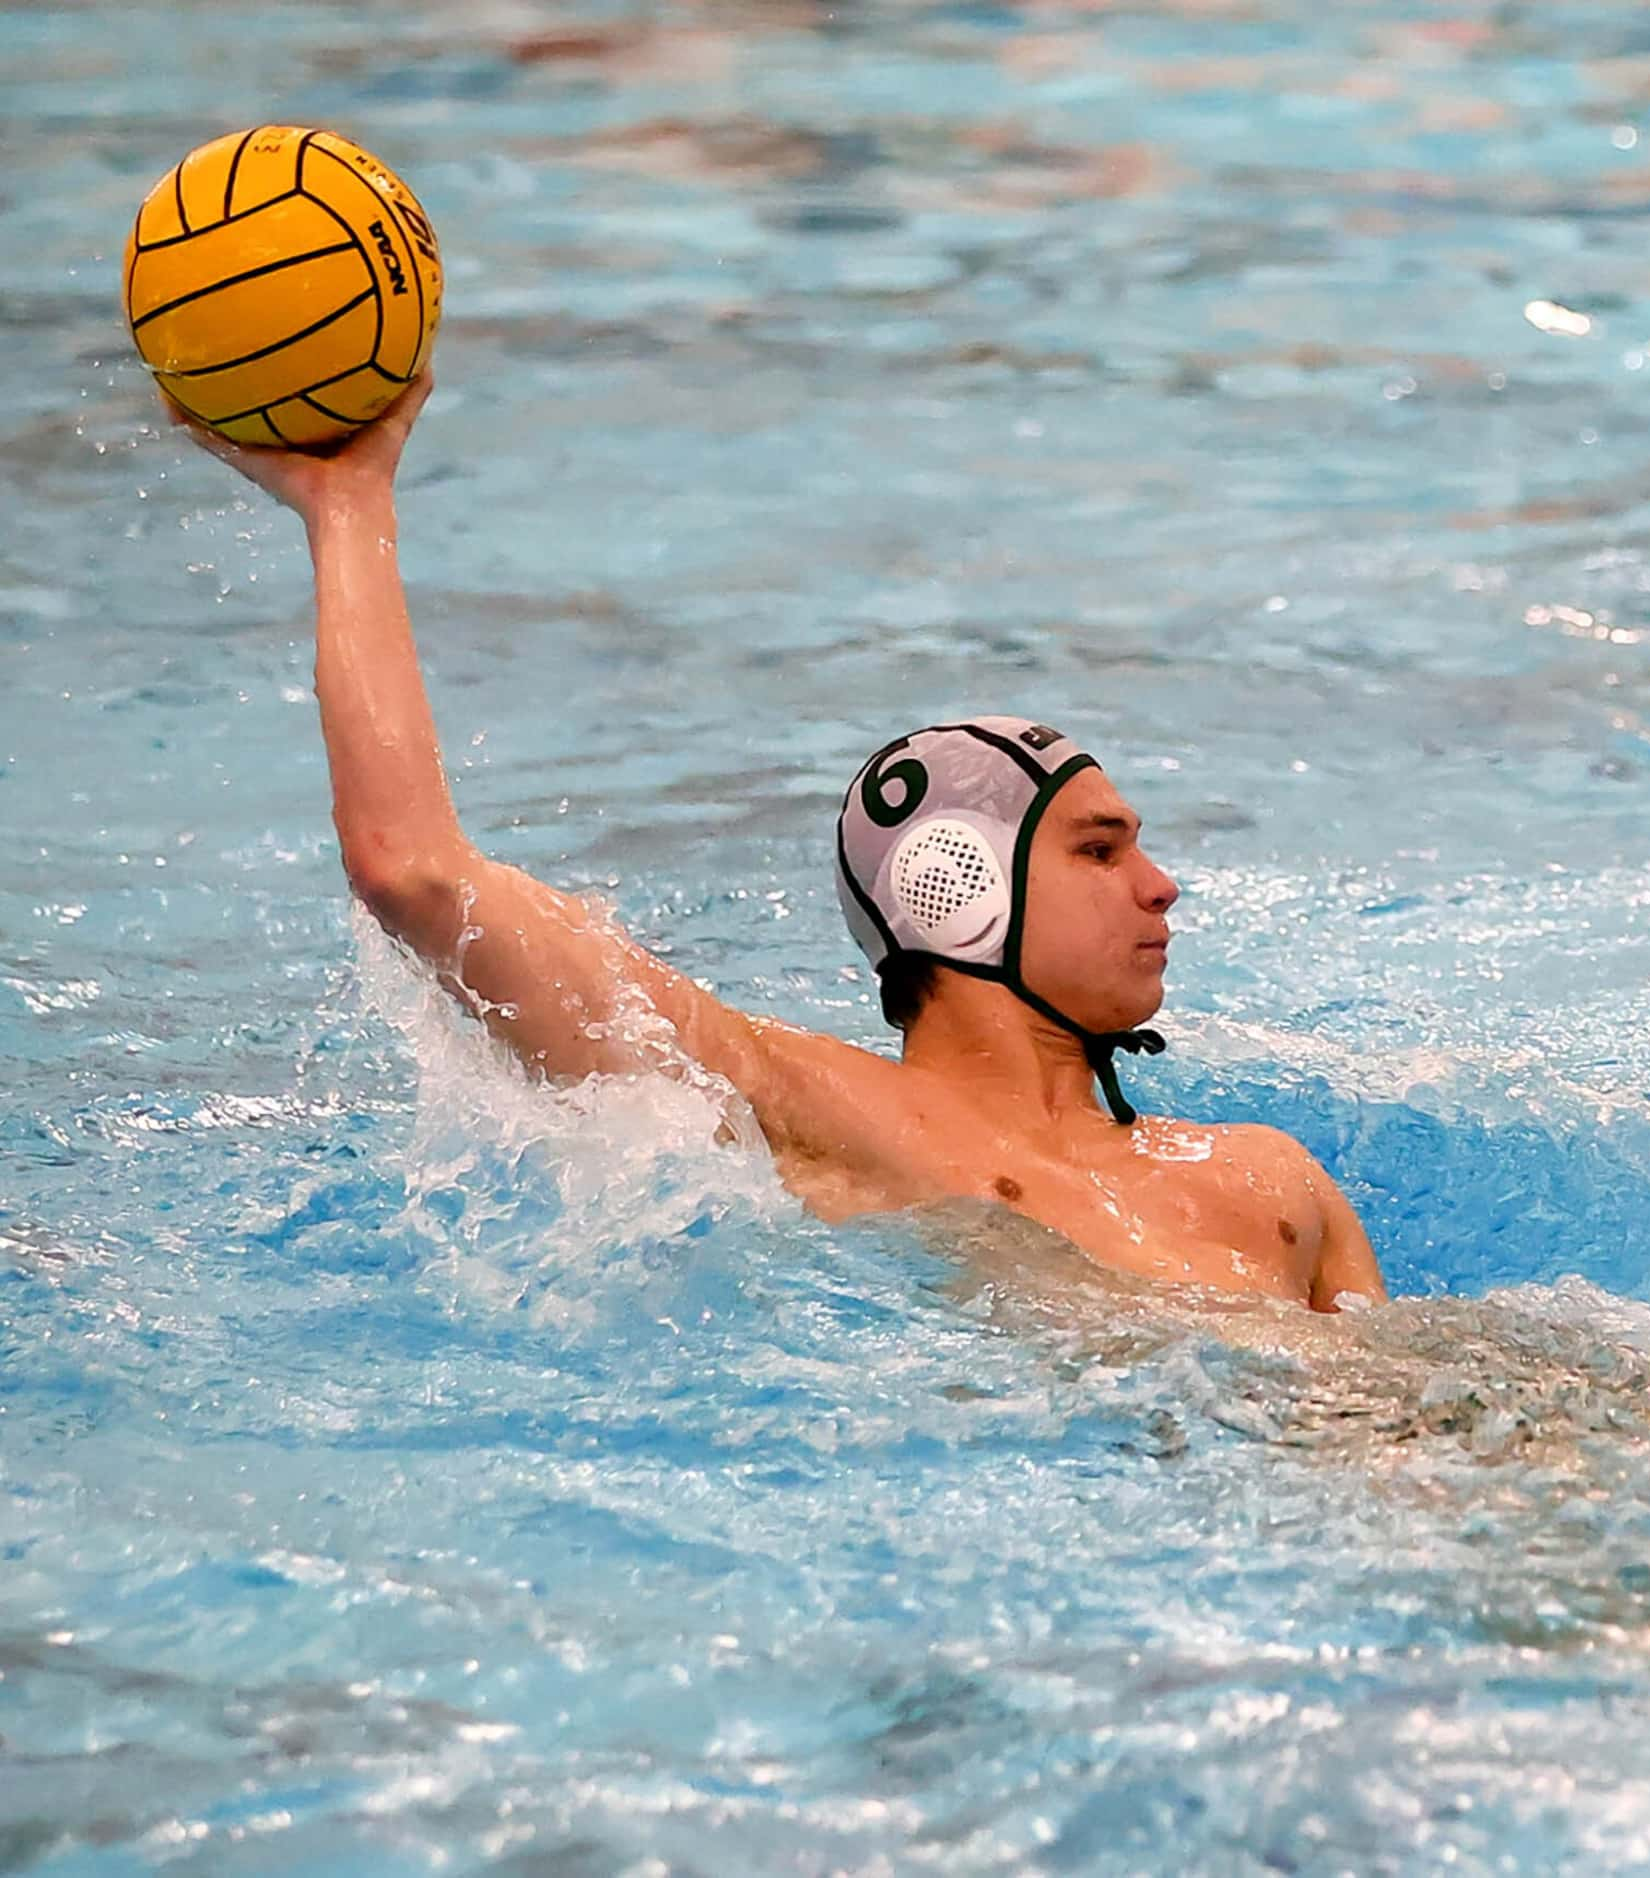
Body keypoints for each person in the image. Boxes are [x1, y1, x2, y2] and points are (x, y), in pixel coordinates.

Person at [177, 377, 1385, 1311]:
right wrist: (350, 506)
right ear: (955, 888)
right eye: (1099, 849)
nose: (1161, 886)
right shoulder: (814, 1110)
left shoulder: (1273, 1176)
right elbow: (416, 872)